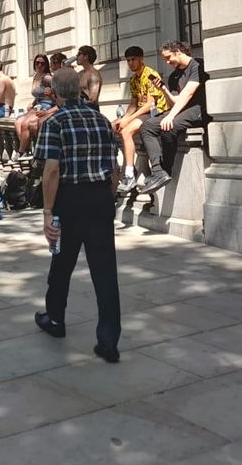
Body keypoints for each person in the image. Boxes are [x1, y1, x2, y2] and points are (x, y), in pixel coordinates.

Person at [34, 67, 122, 363]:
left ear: (55, 92)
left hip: (68, 199)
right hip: (98, 197)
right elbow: (114, 168)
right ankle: (109, 340)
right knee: (105, 270)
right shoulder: (102, 120)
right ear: (81, 89)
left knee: (61, 262)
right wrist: (106, 198)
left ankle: (56, 318)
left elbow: (51, 171)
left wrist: (48, 212)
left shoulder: (55, 122)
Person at [134, 41, 207, 194]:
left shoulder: (197, 65)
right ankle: (158, 171)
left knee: (169, 127)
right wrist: (163, 89)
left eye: (169, 58)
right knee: (147, 126)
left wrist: (171, 116)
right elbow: (174, 101)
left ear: (178, 52)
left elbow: (189, 94)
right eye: (165, 60)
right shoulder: (174, 75)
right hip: (180, 109)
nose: (167, 62)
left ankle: (166, 168)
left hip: (199, 108)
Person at [112, 46, 169, 193]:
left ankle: (129, 174)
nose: (131, 63)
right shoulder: (133, 80)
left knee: (126, 131)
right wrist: (123, 118)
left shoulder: (151, 75)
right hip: (142, 112)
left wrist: (128, 120)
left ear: (141, 59)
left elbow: (150, 105)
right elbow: (133, 104)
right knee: (114, 126)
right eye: (128, 60)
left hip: (155, 112)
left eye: (133, 59)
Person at [13, 54, 56, 161]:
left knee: (25, 123)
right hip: (37, 105)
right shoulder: (35, 76)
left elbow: (55, 95)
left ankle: (21, 151)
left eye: (42, 63)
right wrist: (32, 103)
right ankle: (27, 148)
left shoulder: (47, 78)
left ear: (46, 65)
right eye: (37, 63)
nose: (39, 65)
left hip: (46, 105)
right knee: (17, 122)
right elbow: (38, 95)